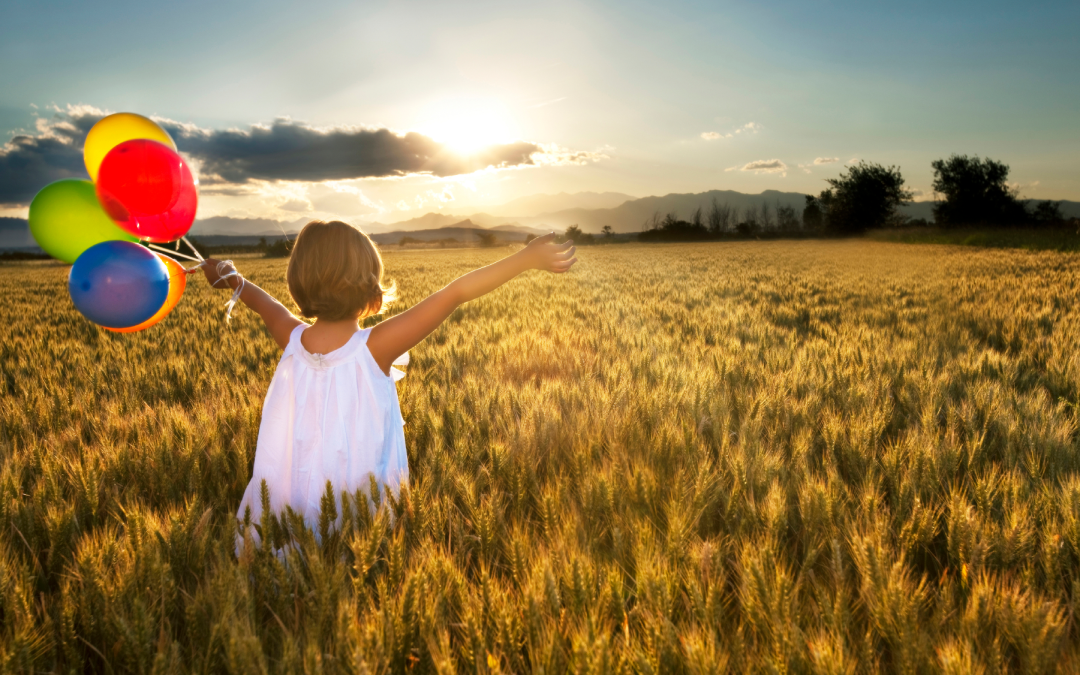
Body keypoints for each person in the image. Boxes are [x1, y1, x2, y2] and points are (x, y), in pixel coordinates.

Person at [202, 221, 576, 548]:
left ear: (298, 283)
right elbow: (455, 293)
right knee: (353, 547)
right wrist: (525, 259)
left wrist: (229, 277)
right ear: (370, 291)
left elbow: (261, 301)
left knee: (288, 546)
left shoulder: (291, 338)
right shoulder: (375, 348)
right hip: (353, 507)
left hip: (287, 497)